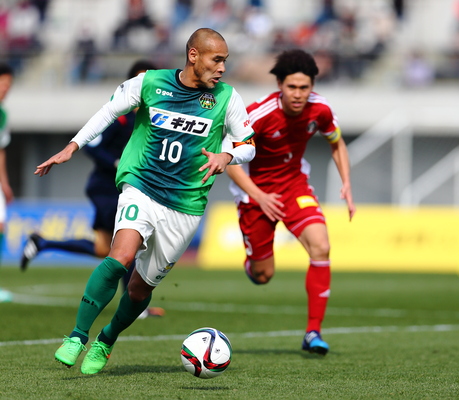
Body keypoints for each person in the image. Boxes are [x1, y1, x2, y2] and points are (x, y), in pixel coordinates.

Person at [34, 28, 255, 375]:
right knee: (119, 257)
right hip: (142, 186)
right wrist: (72, 146)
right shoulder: (150, 82)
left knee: (139, 289)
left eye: (225, 61)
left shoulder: (228, 98)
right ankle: (77, 336)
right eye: (217, 60)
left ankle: (106, 339)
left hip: (185, 204)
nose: (222, 68)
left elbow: (248, 145)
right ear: (194, 55)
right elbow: (108, 111)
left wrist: (226, 156)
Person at [224, 49, 355, 355]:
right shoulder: (258, 114)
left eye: (304, 87)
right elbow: (230, 161)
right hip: (255, 193)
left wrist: (347, 182)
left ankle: (313, 332)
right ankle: (253, 263)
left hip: (295, 187)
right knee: (263, 275)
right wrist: (260, 196)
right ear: (280, 85)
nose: (298, 94)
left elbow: (337, 144)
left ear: (312, 87)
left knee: (321, 246)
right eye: (292, 87)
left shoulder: (320, 109)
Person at [21, 59, 164, 319]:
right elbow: (94, 146)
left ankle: (42, 242)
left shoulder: (151, 119)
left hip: (123, 189)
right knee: (129, 243)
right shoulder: (121, 118)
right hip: (106, 188)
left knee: (103, 249)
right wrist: (116, 162)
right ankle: (133, 305)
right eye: (141, 80)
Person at [0, 63, 14, 303]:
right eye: (2, 83)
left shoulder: (2, 114)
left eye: (8, 85)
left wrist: (4, 182)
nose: (5, 89)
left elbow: (1, 150)